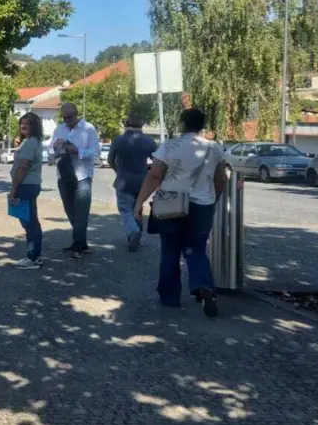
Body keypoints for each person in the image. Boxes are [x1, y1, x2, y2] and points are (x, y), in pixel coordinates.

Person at [134, 108, 227, 317]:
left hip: (171, 205)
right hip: (203, 205)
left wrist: (139, 202)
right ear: (202, 124)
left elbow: (155, 175)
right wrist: (214, 199)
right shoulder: (215, 148)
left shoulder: (170, 146)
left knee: (170, 251)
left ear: (183, 123)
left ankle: (169, 298)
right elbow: (221, 178)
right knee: (196, 250)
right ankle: (204, 287)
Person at [50, 102, 100, 259]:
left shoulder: (88, 129)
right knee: (69, 210)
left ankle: (77, 246)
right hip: (63, 175)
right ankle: (81, 243)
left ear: (76, 114)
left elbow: (96, 152)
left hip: (82, 175)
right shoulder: (59, 129)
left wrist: (78, 151)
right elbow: (50, 150)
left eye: (69, 117)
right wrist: (56, 148)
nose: (67, 121)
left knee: (81, 213)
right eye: (64, 118)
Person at [109, 112, 158, 251]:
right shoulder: (149, 141)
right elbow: (158, 161)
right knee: (138, 209)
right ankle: (137, 238)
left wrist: (117, 170)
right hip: (142, 182)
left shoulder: (118, 140)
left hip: (124, 180)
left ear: (126, 124)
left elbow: (110, 160)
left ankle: (132, 231)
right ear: (142, 125)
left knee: (125, 209)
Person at [10, 112, 45, 269]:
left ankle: (32, 257)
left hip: (25, 186)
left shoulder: (30, 143)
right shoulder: (31, 142)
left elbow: (22, 168)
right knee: (31, 221)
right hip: (31, 185)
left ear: (34, 126)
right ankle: (34, 255)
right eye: (22, 123)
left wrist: (14, 189)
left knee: (29, 222)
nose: (23, 126)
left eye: (27, 123)